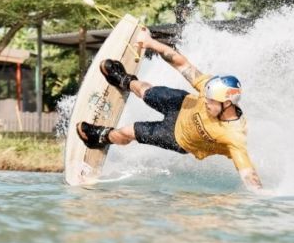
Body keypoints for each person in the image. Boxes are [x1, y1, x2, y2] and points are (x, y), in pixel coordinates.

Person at [76, 28, 264, 193]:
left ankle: (100, 137)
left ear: (227, 104)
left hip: (177, 137)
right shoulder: (210, 86)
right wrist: (151, 43)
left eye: (211, 101)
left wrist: (260, 194)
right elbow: (181, 63)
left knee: (128, 131)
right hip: (182, 104)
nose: (206, 102)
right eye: (206, 96)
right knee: (146, 91)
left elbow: (248, 173)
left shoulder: (234, 135)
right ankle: (124, 80)